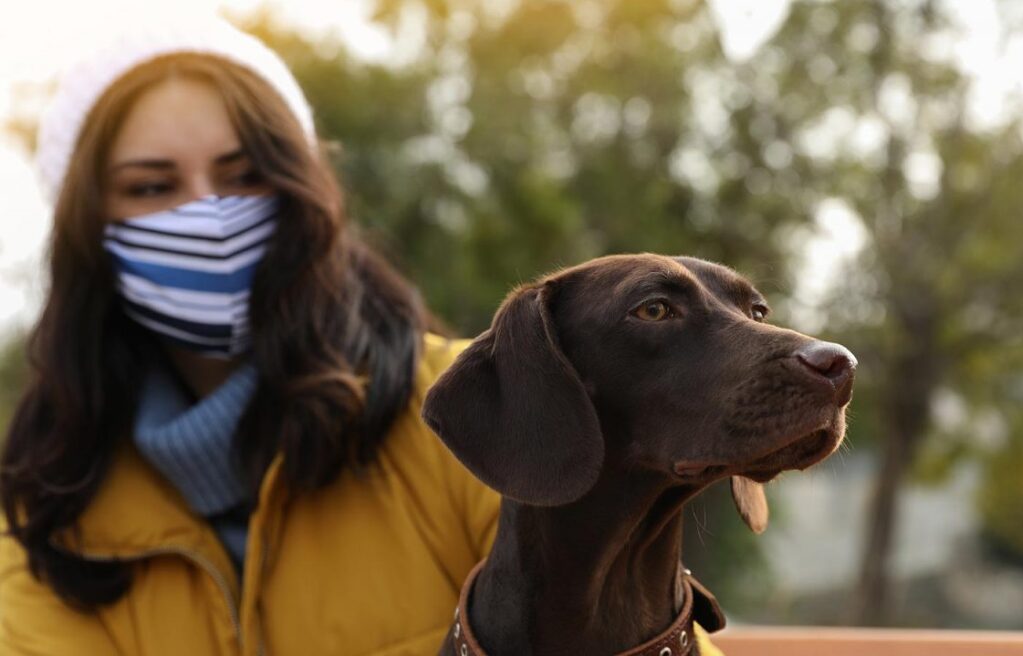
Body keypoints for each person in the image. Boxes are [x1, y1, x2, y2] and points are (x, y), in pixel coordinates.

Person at [0, 14, 721, 656]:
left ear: (304, 196)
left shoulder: (476, 414)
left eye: (243, 176)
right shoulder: (42, 523)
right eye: (152, 188)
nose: (209, 219)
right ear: (87, 235)